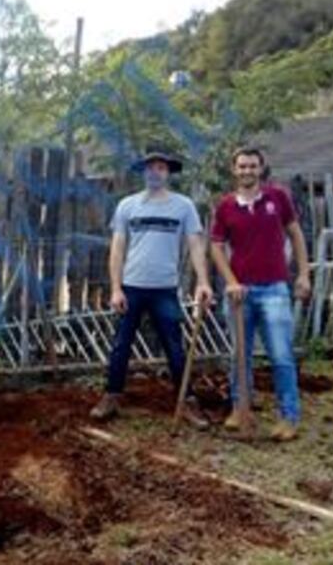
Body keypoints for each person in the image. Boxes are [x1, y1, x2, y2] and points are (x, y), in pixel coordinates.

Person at [89, 149, 214, 428]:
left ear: (168, 172)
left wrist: (204, 281)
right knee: (120, 345)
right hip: (131, 287)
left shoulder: (183, 206)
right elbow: (118, 249)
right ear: (143, 172)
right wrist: (115, 288)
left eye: (160, 167)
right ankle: (111, 396)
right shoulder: (127, 206)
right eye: (150, 168)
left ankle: (188, 401)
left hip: (165, 289)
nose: (155, 172)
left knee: (175, 347)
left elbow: (195, 245)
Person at [210, 147, 311, 442]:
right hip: (240, 292)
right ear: (234, 170)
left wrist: (303, 274)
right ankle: (241, 408)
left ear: (261, 168)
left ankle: (288, 416)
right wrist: (230, 282)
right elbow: (215, 246)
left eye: (252, 166)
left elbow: (295, 234)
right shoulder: (226, 206)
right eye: (242, 166)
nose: (247, 171)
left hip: (274, 289)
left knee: (280, 355)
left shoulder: (277, 198)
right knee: (240, 355)